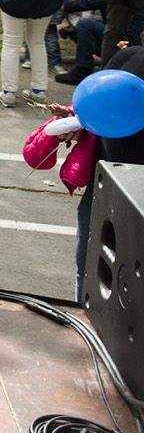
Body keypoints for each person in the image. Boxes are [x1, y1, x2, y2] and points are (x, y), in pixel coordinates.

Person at [73, 45, 144, 299]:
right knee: (89, 270)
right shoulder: (129, 56)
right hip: (102, 186)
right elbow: (97, 102)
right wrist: (76, 119)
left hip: (136, 192)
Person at [53, 0, 144, 84]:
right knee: (83, 27)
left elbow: (89, 3)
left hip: (129, 44)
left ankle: (82, 70)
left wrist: (64, 6)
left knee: (86, 25)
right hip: (122, 40)